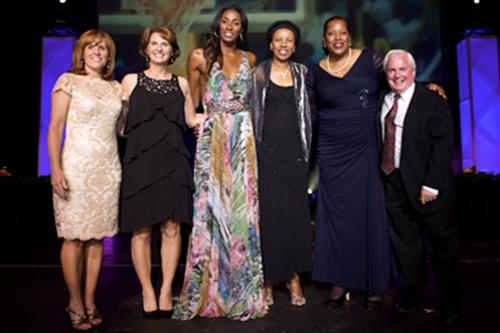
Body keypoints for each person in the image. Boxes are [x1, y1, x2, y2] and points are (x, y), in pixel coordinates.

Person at [173, 5, 267, 321]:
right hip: (213, 137)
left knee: (241, 211)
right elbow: (195, 99)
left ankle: (240, 290)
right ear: (218, 25)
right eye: (225, 21)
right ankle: (208, 290)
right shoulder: (200, 56)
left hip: (242, 138)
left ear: (242, 28)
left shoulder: (250, 60)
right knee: (210, 210)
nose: (229, 26)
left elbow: (254, 102)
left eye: (235, 22)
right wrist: (196, 120)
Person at [307, 15, 395, 311]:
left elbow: (400, 78)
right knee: (335, 216)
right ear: (324, 41)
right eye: (331, 34)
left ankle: (374, 286)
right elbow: (310, 113)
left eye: (343, 32)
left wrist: (429, 88)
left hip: (364, 144)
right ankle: (338, 281)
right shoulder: (315, 72)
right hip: (331, 149)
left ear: (349, 36)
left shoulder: (372, 59)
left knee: (368, 212)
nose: (338, 38)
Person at [119, 26, 202, 319]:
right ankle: (147, 290)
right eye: (154, 43)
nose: (159, 48)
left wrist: (229, 117)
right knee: (141, 231)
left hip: (173, 162)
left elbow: (193, 119)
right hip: (140, 163)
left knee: (172, 228)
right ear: (145, 48)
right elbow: (117, 123)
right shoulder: (129, 81)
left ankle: (166, 289)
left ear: (172, 50)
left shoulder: (181, 84)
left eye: (164, 44)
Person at [47, 29, 123, 331]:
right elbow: (54, 128)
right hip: (76, 168)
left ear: (108, 55)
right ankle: (75, 301)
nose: (97, 52)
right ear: (82, 52)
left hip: (107, 169)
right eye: (91, 47)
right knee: (73, 237)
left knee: (97, 238)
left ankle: (90, 300)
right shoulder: (68, 81)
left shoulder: (117, 88)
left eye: (102, 48)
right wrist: (55, 169)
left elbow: (122, 129)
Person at [380, 49, 460, 325]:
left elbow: (443, 144)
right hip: (395, 185)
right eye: (392, 70)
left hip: (428, 188)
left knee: (442, 249)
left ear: (414, 73)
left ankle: (450, 305)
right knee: (407, 249)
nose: (397, 75)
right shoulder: (384, 99)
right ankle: (413, 296)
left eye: (403, 69)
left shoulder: (433, 101)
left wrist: (432, 185)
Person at [251, 20, 312, 307]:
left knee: (295, 218)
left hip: (295, 155)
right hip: (266, 155)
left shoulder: (302, 73)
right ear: (271, 44)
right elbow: (247, 112)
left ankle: (293, 278)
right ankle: (268, 281)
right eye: (278, 39)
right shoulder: (258, 73)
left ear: (295, 45)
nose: (284, 44)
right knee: (270, 219)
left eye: (289, 40)